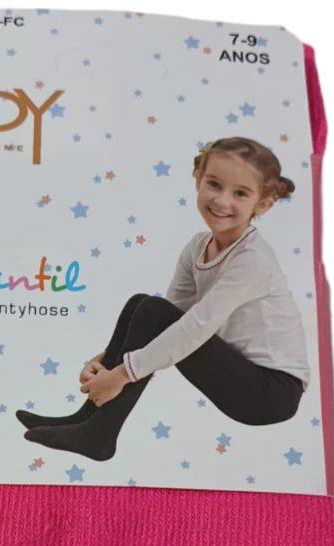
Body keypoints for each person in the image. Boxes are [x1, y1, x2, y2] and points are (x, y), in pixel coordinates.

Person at [16, 137, 311, 462]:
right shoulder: (198, 246)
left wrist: (120, 375)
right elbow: (162, 324)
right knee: (142, 304)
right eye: (214, 184)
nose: (222, 200)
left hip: (270, 393)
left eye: (240, 193)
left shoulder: (252, 259)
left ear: (263, 203)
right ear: (198, 178)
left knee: (153, 310)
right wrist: (103, 363)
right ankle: (88, 419)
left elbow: (192, 328)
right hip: (242, 375)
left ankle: (99, 433)